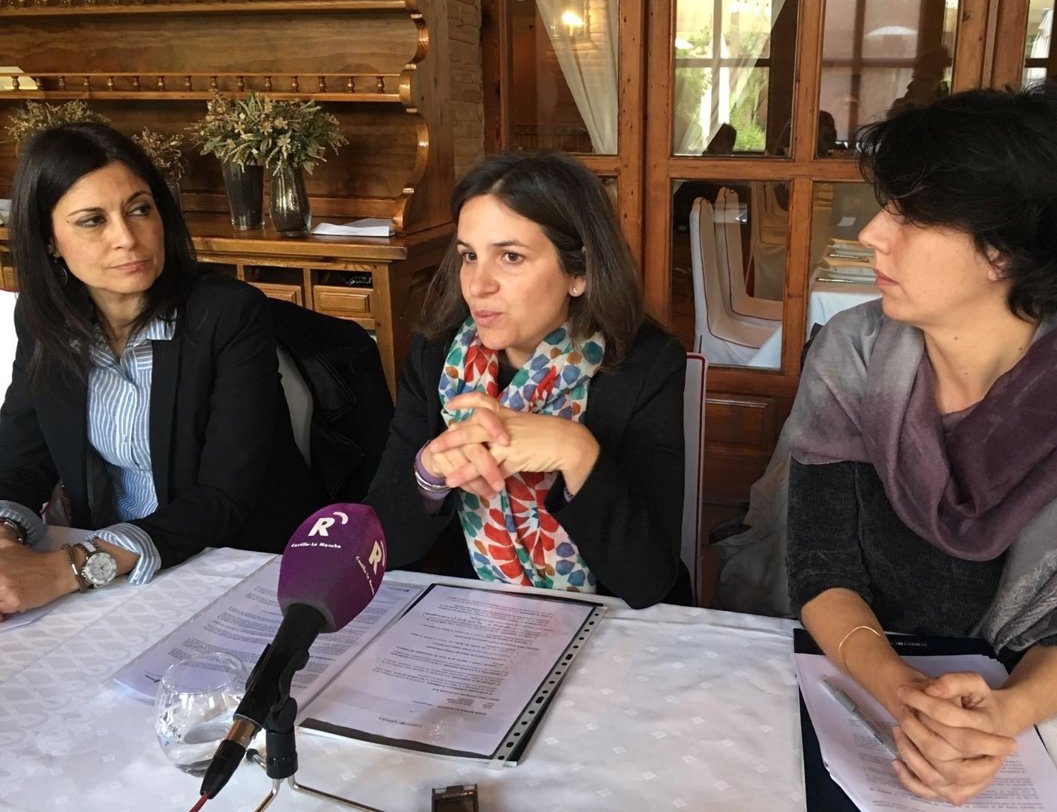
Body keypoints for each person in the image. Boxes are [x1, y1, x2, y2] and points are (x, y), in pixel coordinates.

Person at [786, 85, 1057, 804]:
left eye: (911, 216)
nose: (872, 234)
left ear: (1005, 249)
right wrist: (901, 692)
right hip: (862, 679)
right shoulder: (855, 352)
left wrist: (1001, 715)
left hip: (1052, 721)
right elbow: (821, 564)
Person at [0, 123, 325, 619]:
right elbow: (22, 454)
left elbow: (222, 497)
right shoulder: (45, 319)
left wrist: (72, 569)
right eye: (93, 221)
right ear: (49, 240)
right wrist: (5, 540)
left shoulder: (227, 313)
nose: (127, 239)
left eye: (139, 209)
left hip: (231, 564)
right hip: (112, 574)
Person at [367, 151, 690, 608]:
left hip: (608, 624)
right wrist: (430, 475)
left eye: (511, 257)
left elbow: (648, 581)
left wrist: (576, 452)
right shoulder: (436, 355)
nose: (477, 285)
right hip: (474, 617)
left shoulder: (645, 365)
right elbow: (379, 548)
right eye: (469, 256)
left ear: (578, 272)